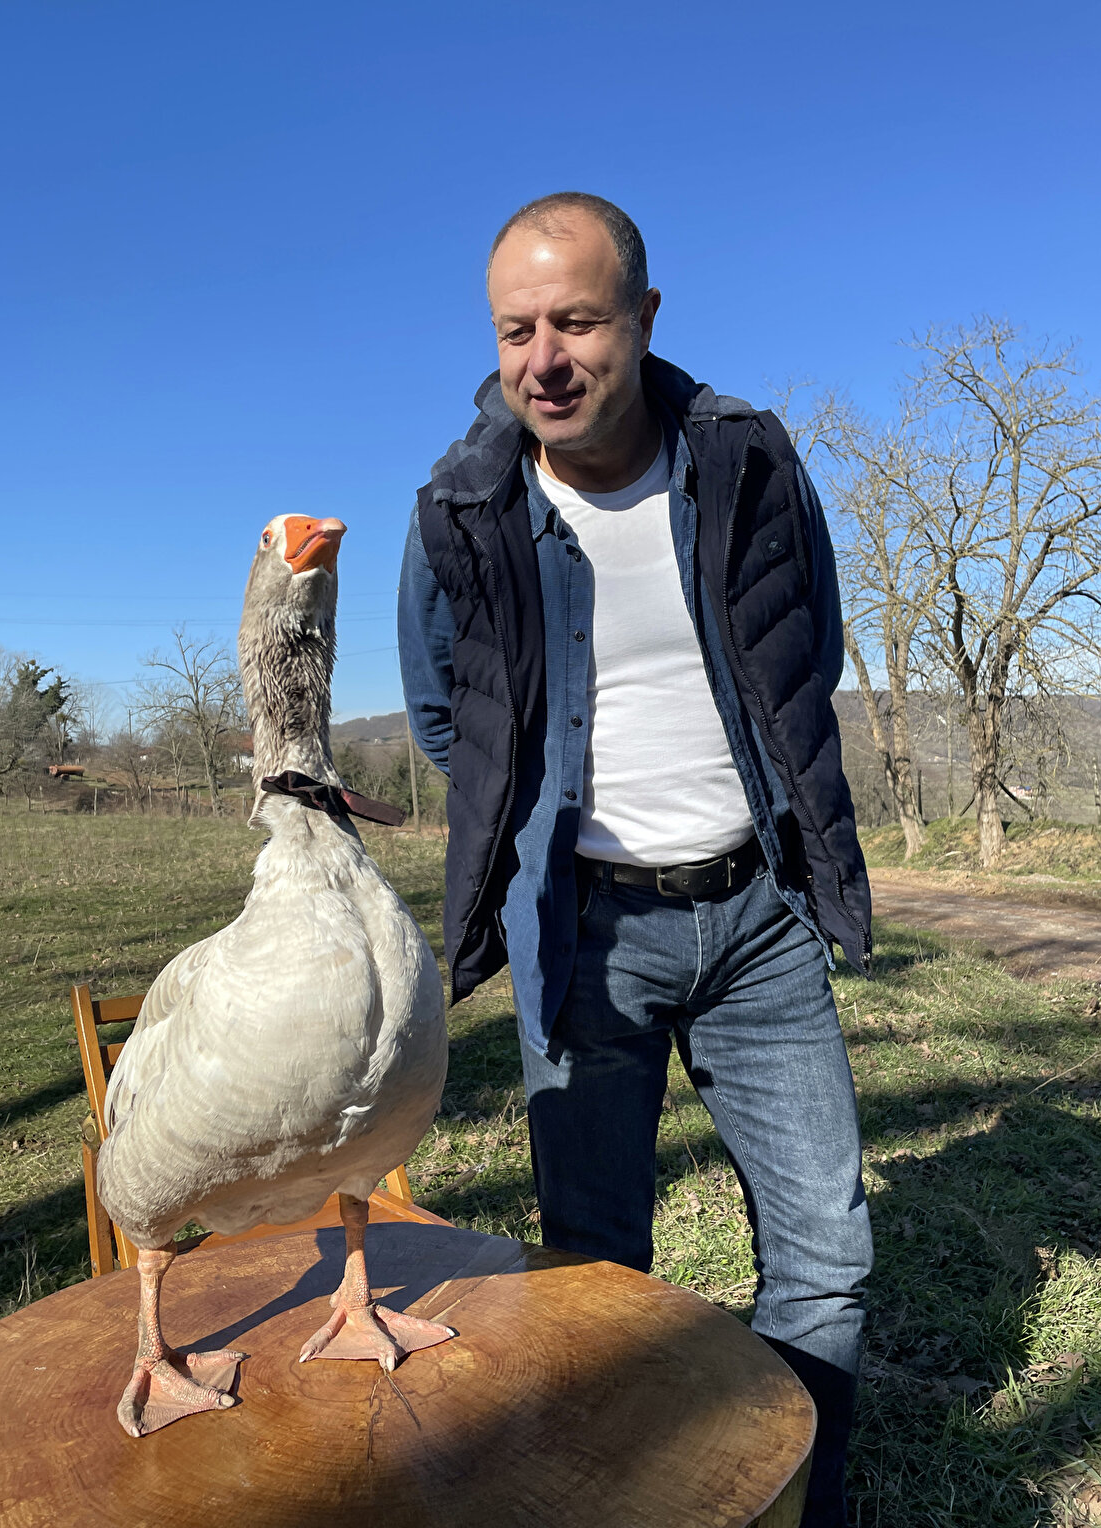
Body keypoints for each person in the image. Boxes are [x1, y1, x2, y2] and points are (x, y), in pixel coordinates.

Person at [397, 191, 873, 1528]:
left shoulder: (746, 461)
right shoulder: (462, 509)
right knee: (597, 1276)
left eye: (578, 320)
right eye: (516, 329)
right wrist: (550, 822)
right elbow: (449, 719)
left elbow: (805, 654)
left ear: (645, 319)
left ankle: (793, 1508)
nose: (544, 357)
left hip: (759, 923)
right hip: (584, 938)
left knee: (826, 1257)